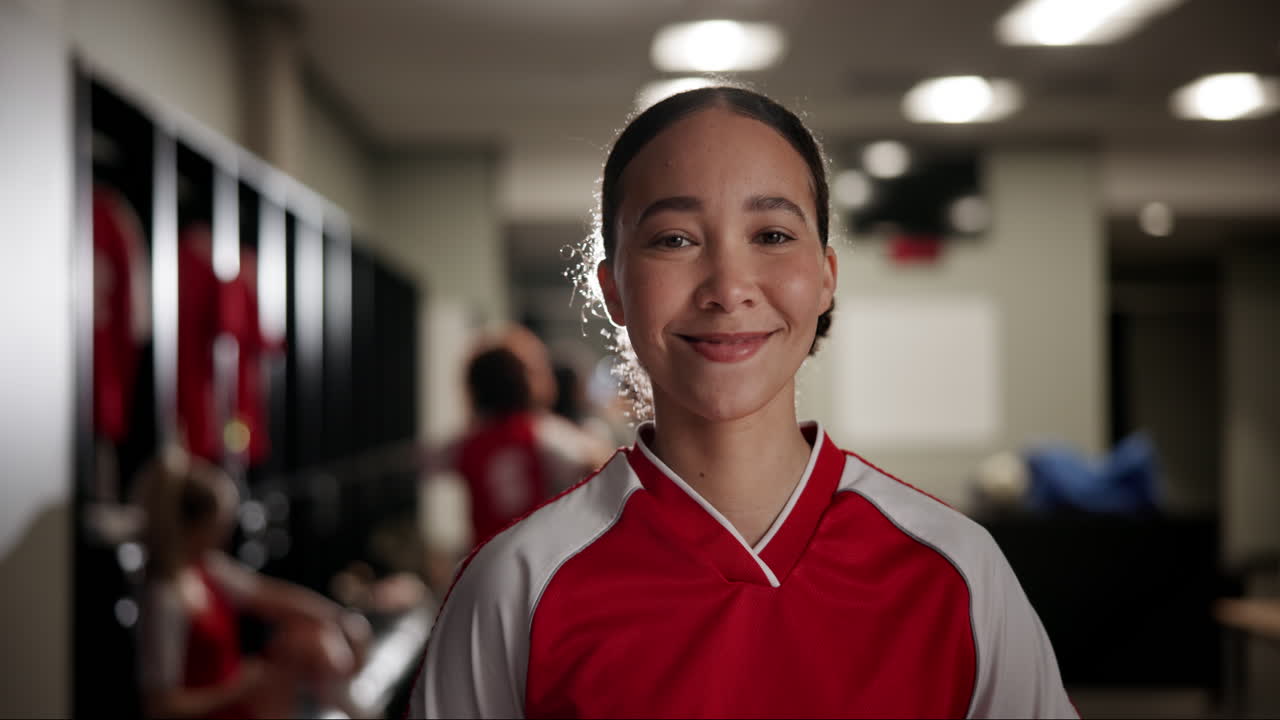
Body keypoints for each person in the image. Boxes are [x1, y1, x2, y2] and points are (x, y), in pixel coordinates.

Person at [409, 86, 1076, 718]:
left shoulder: (956, 571)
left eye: (772, 235)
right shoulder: (516, 586)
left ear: (824, 278)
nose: (728, 288)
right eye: (675, 239)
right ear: (614, 288)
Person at [136, 448, 371, 718]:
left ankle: (351, 706)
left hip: (240, 704)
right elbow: (160, 707)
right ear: (194, 527)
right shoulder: (164, 597)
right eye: (218, 527)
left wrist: (342, 619)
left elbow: (270, 597)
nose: (223, 537)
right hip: (219, 709)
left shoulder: (207, 568)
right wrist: (236, 689)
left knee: (309, 634)